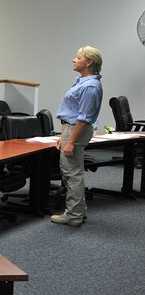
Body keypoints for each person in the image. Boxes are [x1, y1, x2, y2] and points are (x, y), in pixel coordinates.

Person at [51, 46, 104, 227]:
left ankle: (73, 215)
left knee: (72, 174)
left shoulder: (90, 86)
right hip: (71, 129)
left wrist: (71, 140)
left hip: (76, 129)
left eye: (78, 57)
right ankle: (79, 212)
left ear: (89, 62)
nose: (74, 60)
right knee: (72, 173)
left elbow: (83, 117)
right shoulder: (84, 81)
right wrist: (64, 135)